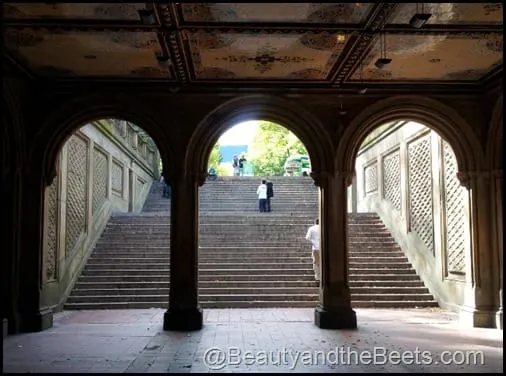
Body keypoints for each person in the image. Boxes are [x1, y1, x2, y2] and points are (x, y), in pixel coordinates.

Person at [305, 218, 320, 283]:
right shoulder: (323, 228)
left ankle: (317, 276)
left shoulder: (311, 228)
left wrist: (313, 242)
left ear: (315, 222)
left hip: (315, 248)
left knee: (316, 262)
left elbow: (307, 238)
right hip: (323, 248)